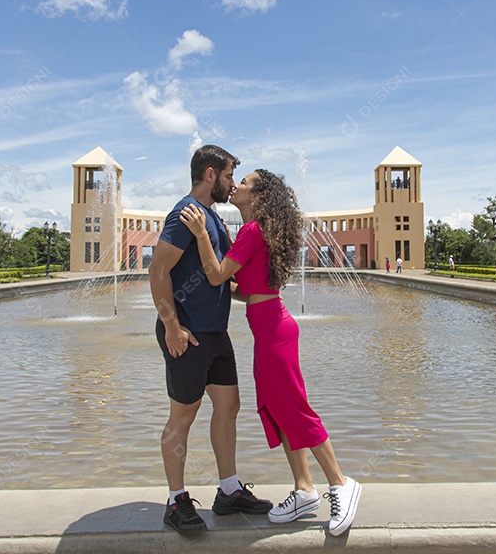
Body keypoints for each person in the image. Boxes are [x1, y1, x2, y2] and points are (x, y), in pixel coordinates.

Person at [180, 169, 362, 537]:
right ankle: (304, 489)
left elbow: (216, 276)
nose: (236, 186)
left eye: (244, 183)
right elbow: (243, 290)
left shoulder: (252, 230)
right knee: (276, 410)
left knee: (293, 408)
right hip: (267, 329)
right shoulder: (256, 231)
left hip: (275, 333)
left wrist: (201, 234)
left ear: (259, 196)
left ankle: (340, 483)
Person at [148, 145, 274, 536]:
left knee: (229, 405)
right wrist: (171, 326)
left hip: (214, 332)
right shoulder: (185, 214)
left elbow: (216, 276)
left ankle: (228, 489)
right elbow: (157, 270)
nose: (232, 183)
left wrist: (255, 292)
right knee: (183, 415)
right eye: (228, 176)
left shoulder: (212, 219)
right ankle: (176, 499)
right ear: (209, 174)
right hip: (187, 333)